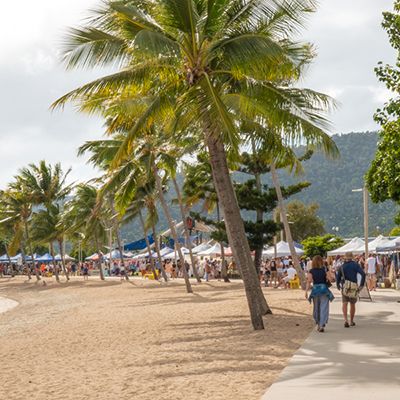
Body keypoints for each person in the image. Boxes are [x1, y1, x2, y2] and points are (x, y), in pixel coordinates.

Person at [336, 252, 366, 328]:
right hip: (354, 287)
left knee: (344, 303)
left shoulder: (342, 266)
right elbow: (363, 274)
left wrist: (338, 286)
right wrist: (361, 284)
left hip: (345, 286)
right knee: (352, 304)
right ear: (352, 257)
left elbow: (338, 278)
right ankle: (351, 321)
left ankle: (346, 320)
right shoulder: (355, 265)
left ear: (345, 257)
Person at [305, 255, 334, 332]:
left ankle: (318, 324)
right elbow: (330, 278)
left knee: (316, 307)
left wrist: (306, 291)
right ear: (321, 261)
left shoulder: (311, 271)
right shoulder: (324, 269)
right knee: (324, 307)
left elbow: (309, 281)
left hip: (315, 290)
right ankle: (321, 325)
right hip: (324, 289)